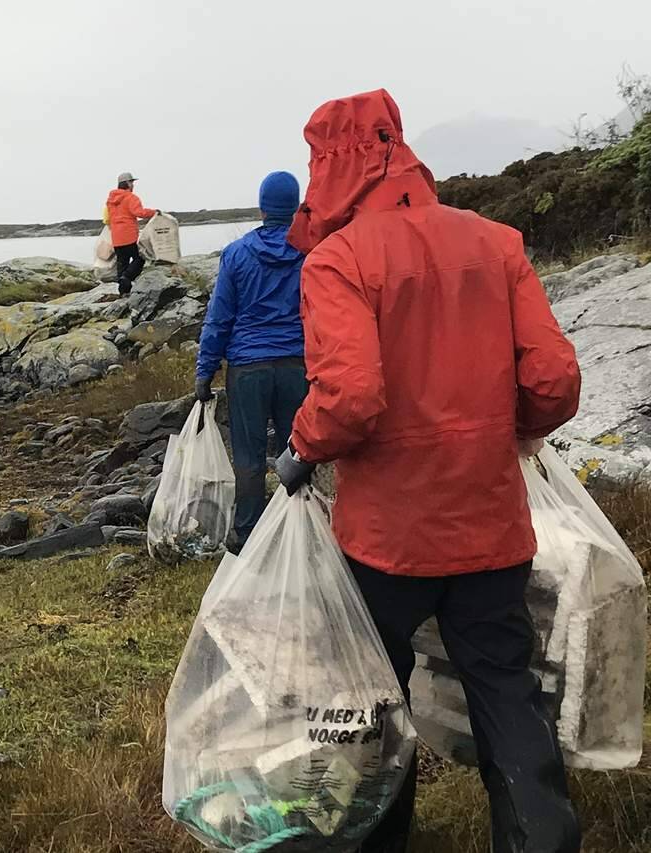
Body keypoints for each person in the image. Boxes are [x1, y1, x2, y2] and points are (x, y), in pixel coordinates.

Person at [274, 89, 582, 852]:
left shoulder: (338, 259)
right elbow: (555, 380)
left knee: (373, 696)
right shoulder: (496, 241)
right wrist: (512, 433)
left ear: (330, 167)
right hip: (490, 524)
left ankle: (383, 837)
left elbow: (350, 396)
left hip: (387, 539)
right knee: (507, 688)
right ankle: (542, 839)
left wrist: (300, 450)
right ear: (399, 149)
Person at [195, 171, 307, 550]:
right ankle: (300, 533)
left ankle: (248, 539)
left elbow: (219, 318)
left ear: (262, 207)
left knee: (248, 456)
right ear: (295, 206)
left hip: (247, 369)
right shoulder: (312, 252)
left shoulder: (237, 254)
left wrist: (205, 371)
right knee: (299, 451)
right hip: (298, 365)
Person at [105, 172, 157, 295]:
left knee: (122, 263)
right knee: (139, 259)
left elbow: (107, 217)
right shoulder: (131, 197)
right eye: (132, 182)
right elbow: (138, 212)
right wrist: (154, 212)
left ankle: (123, 292)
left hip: (116, 237)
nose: (133, 185)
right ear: (128, 183)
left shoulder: (110, 200)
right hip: (128, 236)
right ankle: (127, 278)